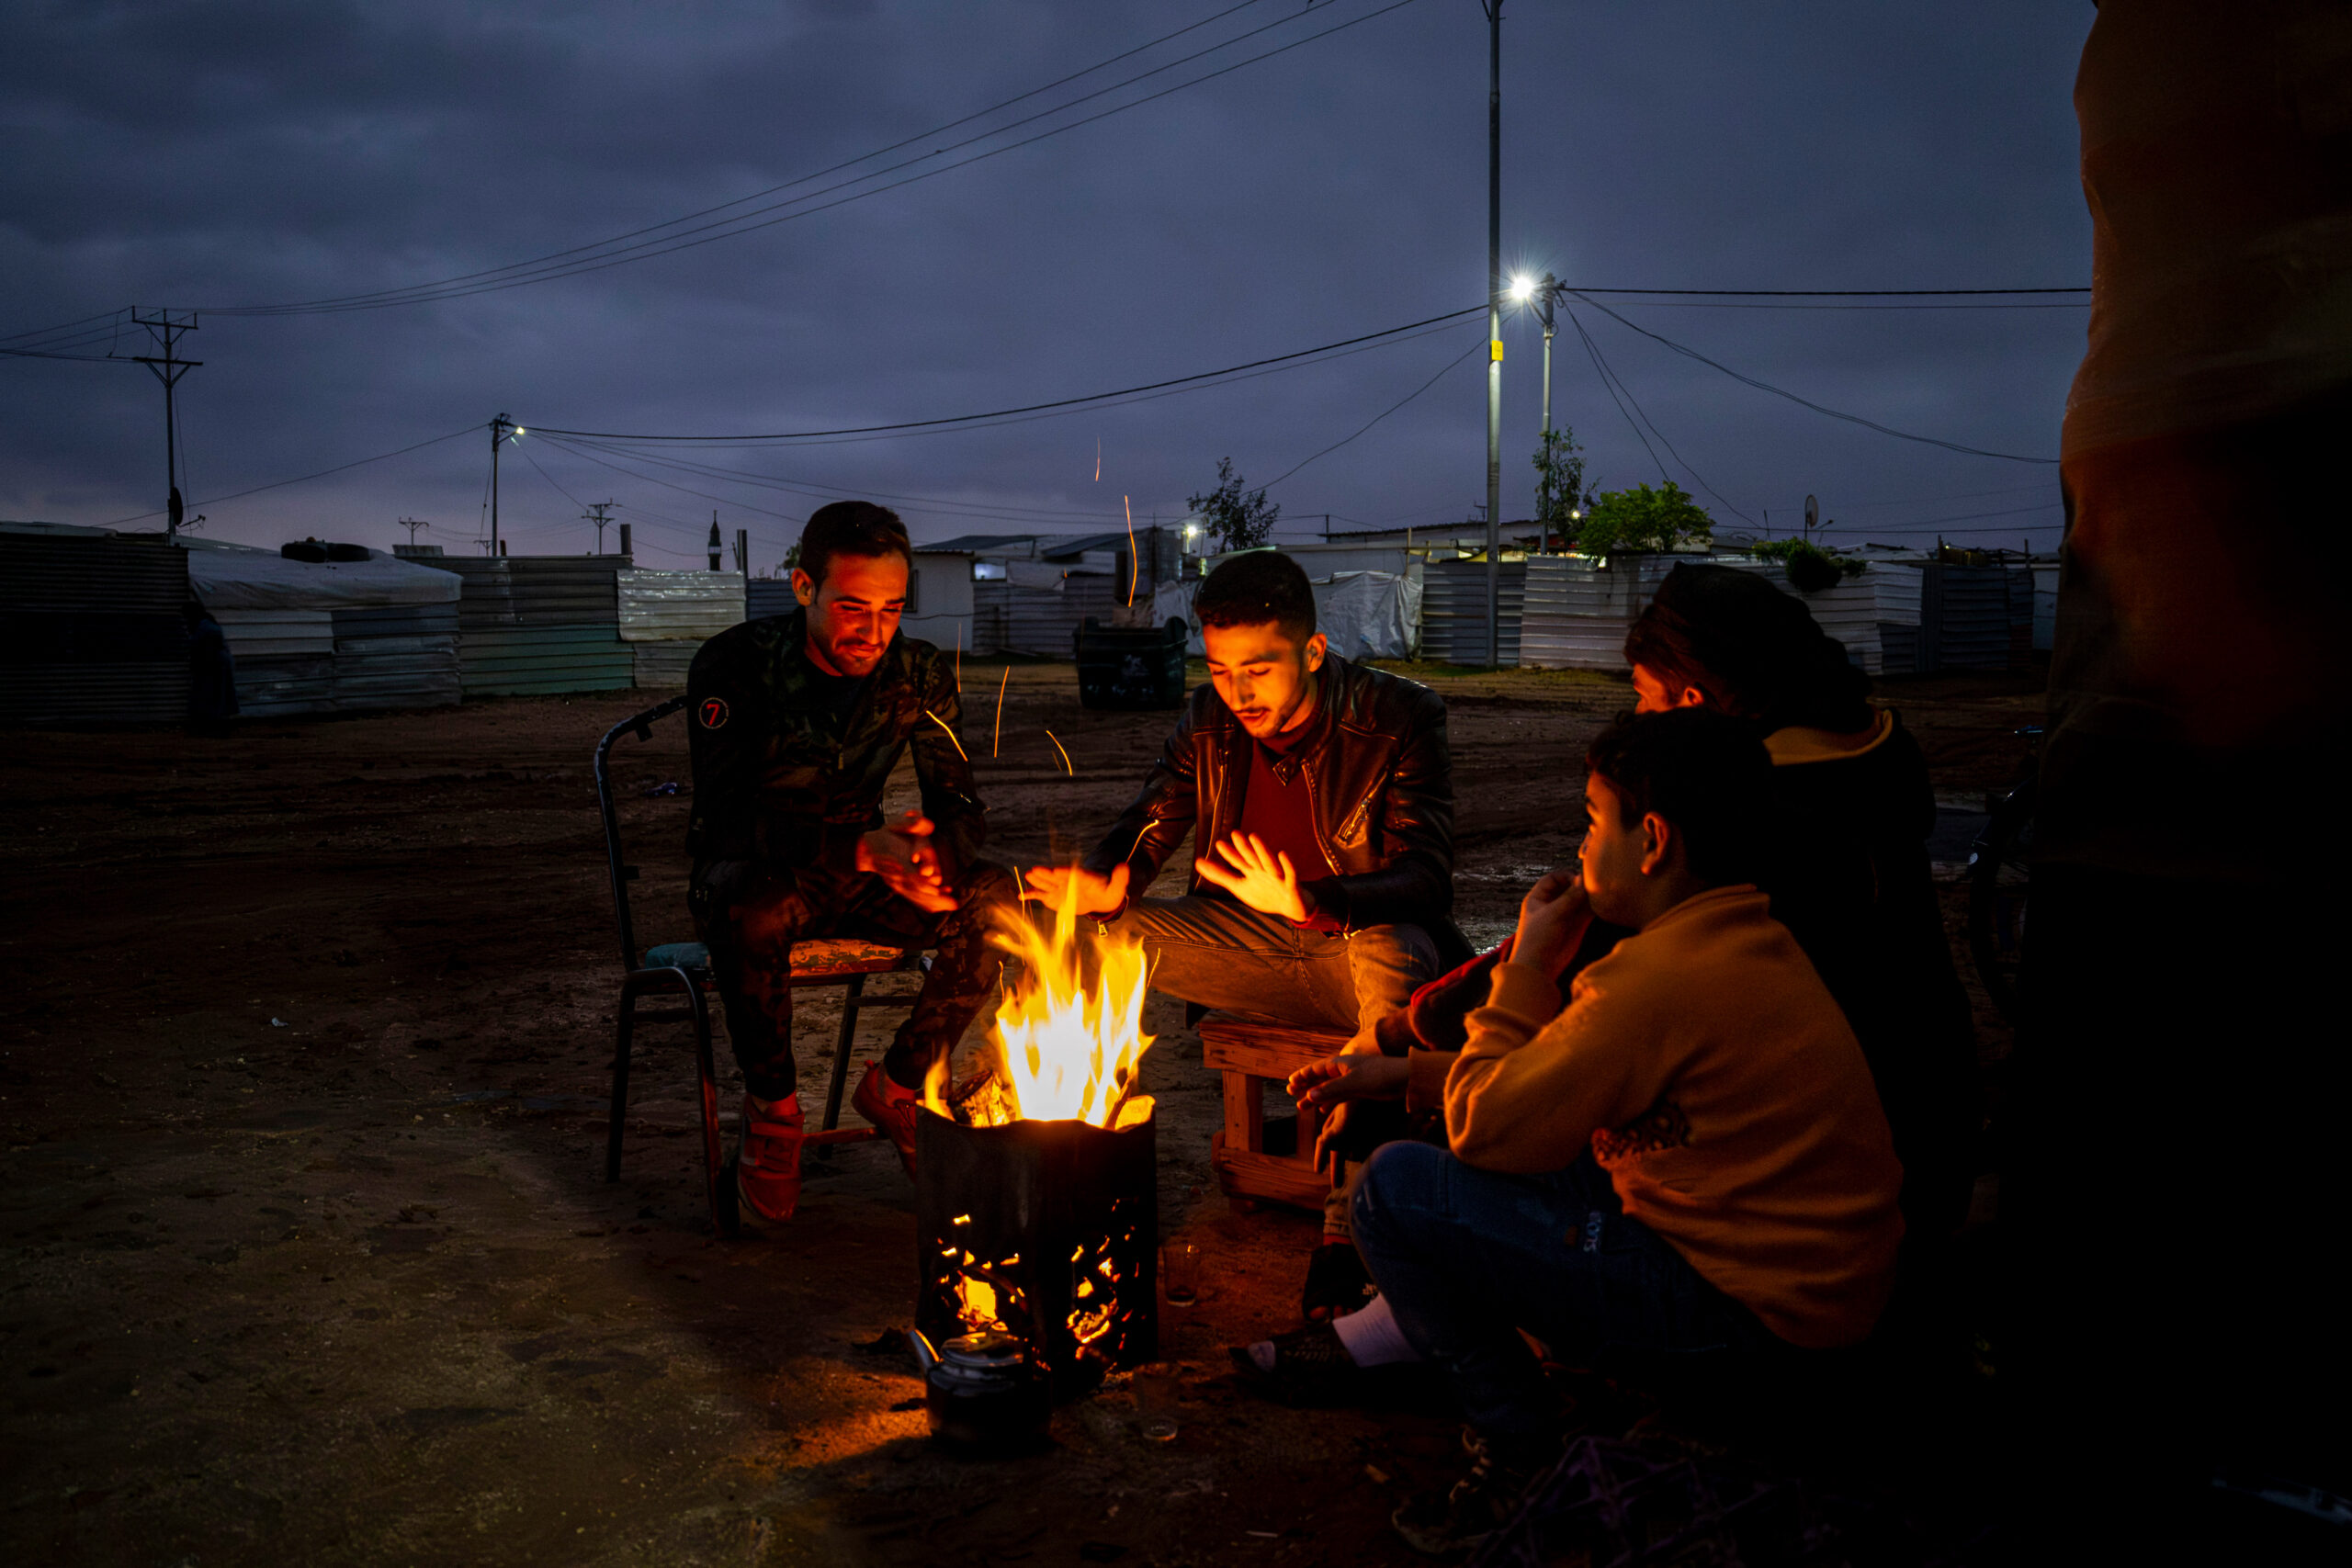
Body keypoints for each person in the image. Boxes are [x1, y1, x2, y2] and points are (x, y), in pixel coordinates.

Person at [1347, 709, 1905, 1555]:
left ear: (1650, 840)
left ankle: (1519, 1442)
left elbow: (1482, 1129)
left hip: (1750, 1328)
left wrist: (1530, 963)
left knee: (1393, 1190)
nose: (1578, 846)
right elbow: (1566, 1092)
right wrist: (1405, 1073)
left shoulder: (1651, 980)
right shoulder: (1744, 940)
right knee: (1541, 1165)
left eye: (1589, 818)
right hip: (1821, 1305)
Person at [1299, 563, 1977, 1253]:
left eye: (1650, 705)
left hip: (1800, 1220)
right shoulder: (1861, 769)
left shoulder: (1748, 831)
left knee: (1440, 1166)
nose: (1640, 725)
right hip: (1921, 1148)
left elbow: (1547, 1051)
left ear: (1694, 706)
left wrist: (1399, 1040)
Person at [1025, 549, 1466, 1308]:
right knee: (1100, 933)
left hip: (1365, 953)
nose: (1238, 692)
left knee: (1390, 947)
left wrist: (1311, 900)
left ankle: (1349, 1235)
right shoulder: (1206, 721)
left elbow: (1425, 878)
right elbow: (1149, 819)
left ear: (1314, 651)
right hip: (1254, 954)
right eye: (1222, 669)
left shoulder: (1398, 717)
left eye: (1258, 669)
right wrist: (1109, 875)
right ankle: (1068, 1160)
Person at [685, 502, 1017, 1229]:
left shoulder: (919, 671)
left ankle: (901, 1084)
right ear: (803, 586)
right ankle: (774, 1113)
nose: (873, 632)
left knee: (998, 897)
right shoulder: (734, 664)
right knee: (755, 904)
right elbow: (727, 818)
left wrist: (936, 860)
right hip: (752, 873)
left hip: (860, 874)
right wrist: (865, 849)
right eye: (852, 608)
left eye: (892, 610)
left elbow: (959, 801)